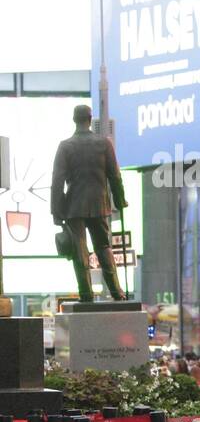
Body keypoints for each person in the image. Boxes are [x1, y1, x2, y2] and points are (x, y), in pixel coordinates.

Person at [50, 104, 128, 302]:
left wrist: (56, 211)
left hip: (74, 207)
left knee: (79, 251)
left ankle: (86, 295)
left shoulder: (65, 146)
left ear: (74, 120)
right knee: (104, 247)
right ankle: (117, 293)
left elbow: (57, 181)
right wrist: (120, 200)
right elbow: (115, 175)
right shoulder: (104, 143)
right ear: (90, 118)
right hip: (99, 204)